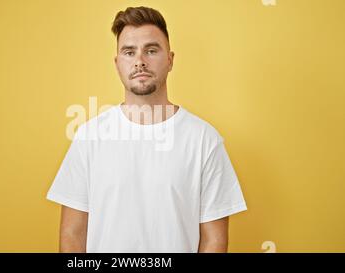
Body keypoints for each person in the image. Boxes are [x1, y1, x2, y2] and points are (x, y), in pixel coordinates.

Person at [46, 6, 247, 253]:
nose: (140, 61)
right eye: (129, 52)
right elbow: (72, 234)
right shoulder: (89, 137)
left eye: (151, 50)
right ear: (117, 63)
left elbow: (214, 241)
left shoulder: (204, 140)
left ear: (170, 60)